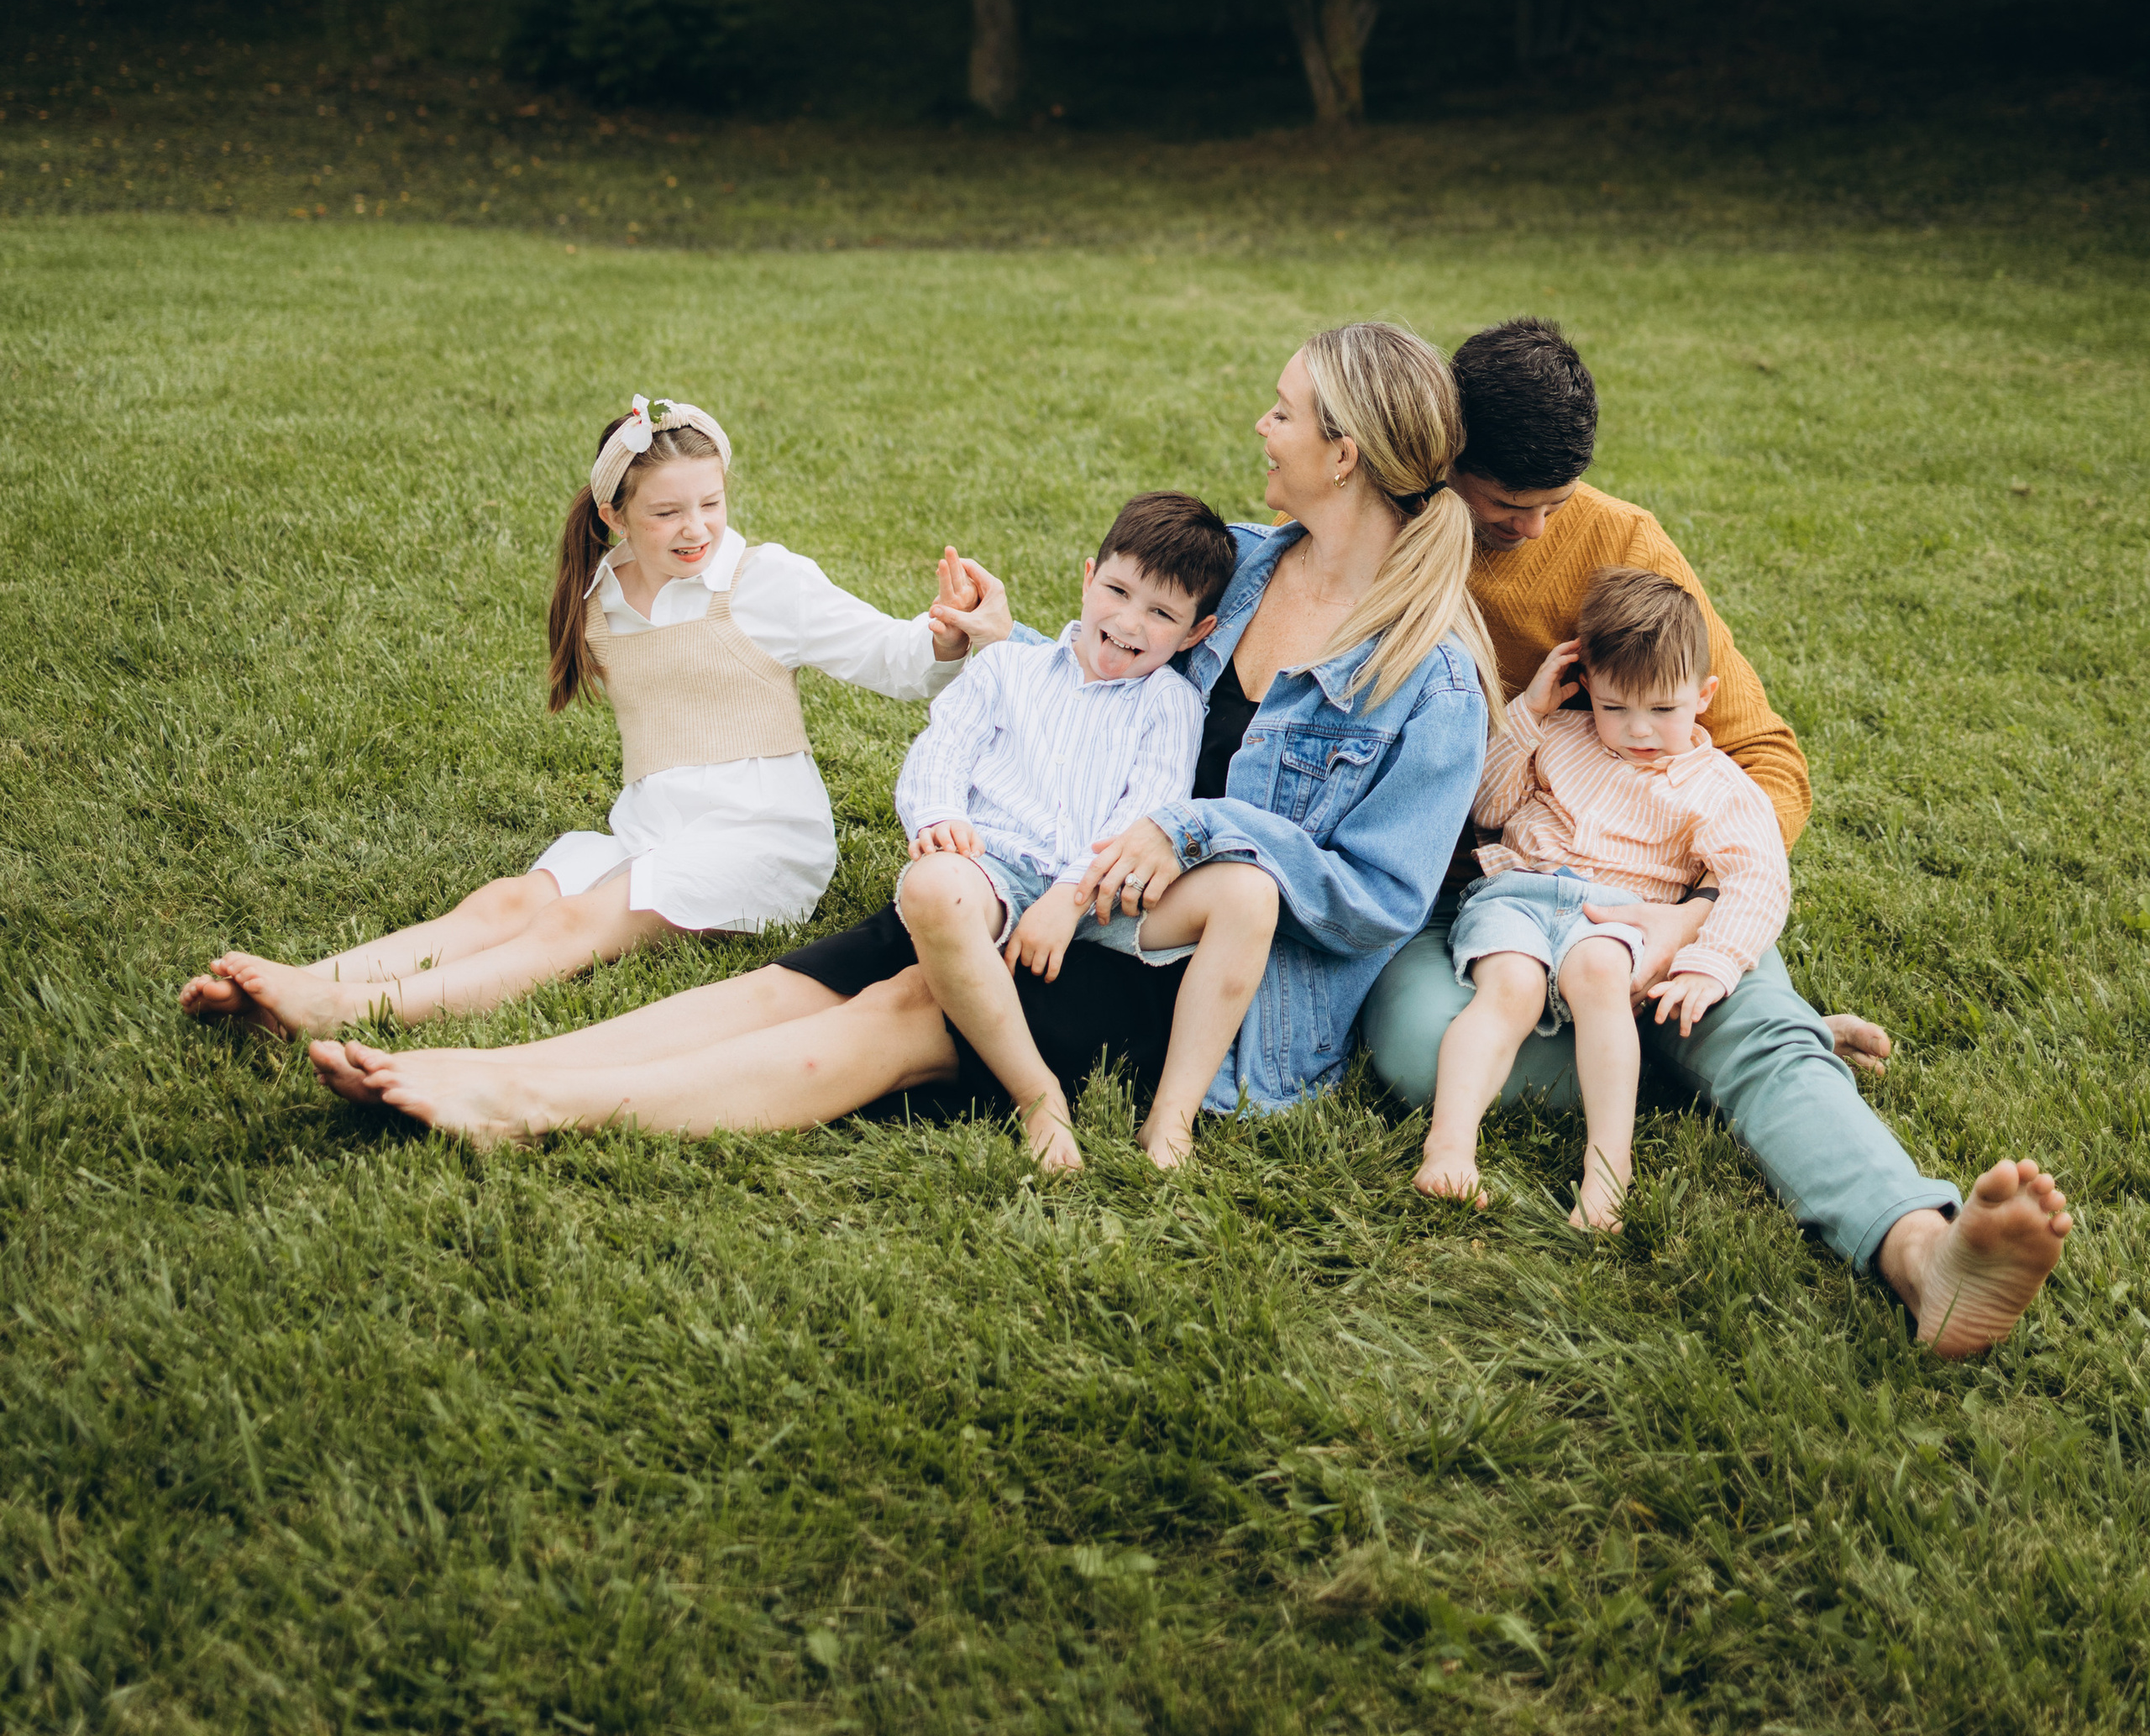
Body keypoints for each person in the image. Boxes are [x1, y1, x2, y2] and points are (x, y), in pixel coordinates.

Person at [307, 322, 1497, 1159]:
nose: (1262, 423)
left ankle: (526, 1104)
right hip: (1061, 876)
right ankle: (511, 1066)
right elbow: (1109, 685)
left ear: (1342, 453)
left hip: (1190, 978)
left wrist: (1192, 831)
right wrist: (1005, 640)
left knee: (894, 1013)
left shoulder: (1429, 676)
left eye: (1284, 411)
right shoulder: (1242, 564)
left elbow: (1377, 902)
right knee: (804, 977)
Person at [1361, 318, 2073, 1357]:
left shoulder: (1623, 546)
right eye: (1507, 506)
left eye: (1552, 505)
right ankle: (1747, 1053)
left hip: (1655, 896)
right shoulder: (1387, 537)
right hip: (1483, 893)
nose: (1531, 529)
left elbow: (1766, 759)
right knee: (1417, 1052)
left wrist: (1683, 916)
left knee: (1726, 1007)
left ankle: (1922, 1251)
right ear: (1442, 463)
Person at [186, 394, 1005, 1037]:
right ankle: (304, 981)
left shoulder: (764, 582)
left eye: (710, 504)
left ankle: (359, 1010)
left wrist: (942, 635)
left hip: (761, 840)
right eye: (666, 513)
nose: (696, 529)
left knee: (573, 924)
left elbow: (900, 668)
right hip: (650, 828)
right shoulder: (599, 594)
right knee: (505, 904)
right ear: (613, 514)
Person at [892, 493, 1282, 1175]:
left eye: (1162, 614)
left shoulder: (1171, 703)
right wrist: (938, 815)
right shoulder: (1005, 668)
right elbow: (942, 748)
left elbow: (1146, 813)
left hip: (1104, 888)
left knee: (1250, 895)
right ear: (1088, 576)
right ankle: (1036, 1096)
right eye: (1118, 591)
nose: (1130, 622)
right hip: (996, 864)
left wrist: (1070, 896)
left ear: (1196, 632)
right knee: (933, 889)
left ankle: (1171, 1118)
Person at [1417, 566, 1790, 1230]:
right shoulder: (1559, 734)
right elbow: (1488, 806)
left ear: (1704, 696)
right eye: (1616, 707)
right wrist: (1528, 714)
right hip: (1518, 892)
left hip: (1617, 911)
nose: (1639, 729)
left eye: (1663, 710)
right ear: (1586, 686)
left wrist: (1713, 962)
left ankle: (1606, 1176)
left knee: (1599, 976)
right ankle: (1449, 1150)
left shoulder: (1719, 786)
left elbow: (1758, 878)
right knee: (1510, 989)